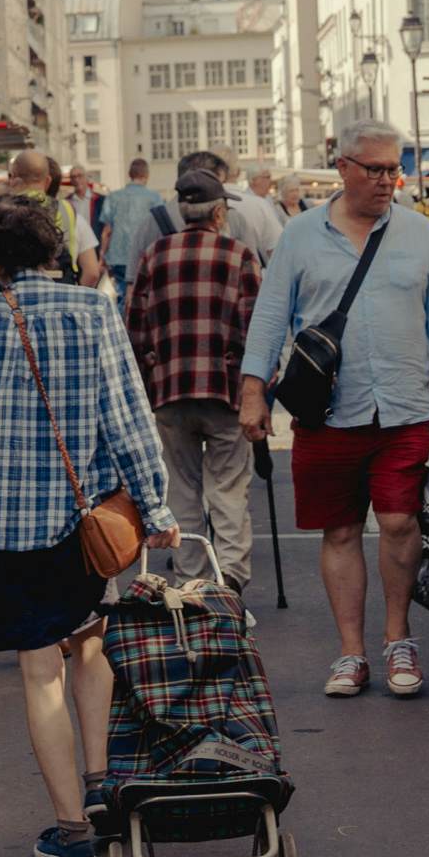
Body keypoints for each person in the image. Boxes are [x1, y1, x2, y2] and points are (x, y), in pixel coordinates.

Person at [0, 193, 170, 857]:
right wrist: (158, 506)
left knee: (39, 671)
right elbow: (128, 417)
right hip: (86, 520)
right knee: (89, 647)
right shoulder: (93, 311)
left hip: (10, 524)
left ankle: (70, 826)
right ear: (53, 247)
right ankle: (100, 783)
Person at [237, 119, 429, 701]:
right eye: (376, 169)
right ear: (342, 167)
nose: (388, 180)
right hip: (327, 413)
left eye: (396, 168)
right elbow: (270, 317)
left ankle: (398, 638)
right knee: (340, 529)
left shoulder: (420, 234)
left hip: (403, 408)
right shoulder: (299, 236)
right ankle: (351, 652)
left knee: (399, 521)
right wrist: (251, 392)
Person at [121, 166, 266, 585]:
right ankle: (230, 581)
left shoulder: (154, 255)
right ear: (219, 213)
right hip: (225, 391)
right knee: (228, 488)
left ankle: (189, 579)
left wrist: (151, 379)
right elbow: (254, 330)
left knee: (181, 490)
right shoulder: (239, 256)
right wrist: (255, 391)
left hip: (170, 391)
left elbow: (134, 327)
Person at [5, 149, 102, 285]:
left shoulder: (4, 210)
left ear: (14, 178)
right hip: (63, 286)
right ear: (48, 181)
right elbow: (92, 272)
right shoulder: (69, 212)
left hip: (15, 296)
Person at [98, 156, 174, 288]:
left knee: (121, 295)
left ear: (129, 174)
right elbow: (160, 229)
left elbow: (107, 231)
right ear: (147, 175)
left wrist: (102, 255)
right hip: (145, 254)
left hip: (118, 256)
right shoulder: (154, 198)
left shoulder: (113, 197)